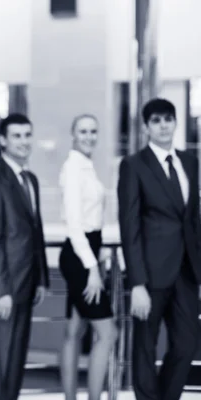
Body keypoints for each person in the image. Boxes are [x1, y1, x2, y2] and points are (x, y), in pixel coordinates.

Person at [118, 98, 201, 400]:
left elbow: (192, 219)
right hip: (151, 273)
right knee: (144, 346)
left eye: (168, 119)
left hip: (187, 271)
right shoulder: (134, 165)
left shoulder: (190, 162)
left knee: (187, 343)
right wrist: (137, 282)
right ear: (145, 127)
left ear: (176, 122)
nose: (164, 125)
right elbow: (130, 226)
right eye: (156, 120)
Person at [0, 113, 49, 400]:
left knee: (16, 359)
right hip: (5, 287)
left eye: (27, 135)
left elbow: (36, 232)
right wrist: (0, 291)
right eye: (16, 136)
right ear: (2, 140)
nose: (23, 141)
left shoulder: (30, 179)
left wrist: (41, 278)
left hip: (29, 283)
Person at [58, 115, 117, 400]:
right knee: (108, 333)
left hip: (89, 251)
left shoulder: (86, 167)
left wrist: (99, 253)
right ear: (73, 134)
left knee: (74, 330)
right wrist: (92, 267)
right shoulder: (72, 169)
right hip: (80, 256)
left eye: (94, 131)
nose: (89, 136)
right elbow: (74, 223)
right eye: (83, 131)